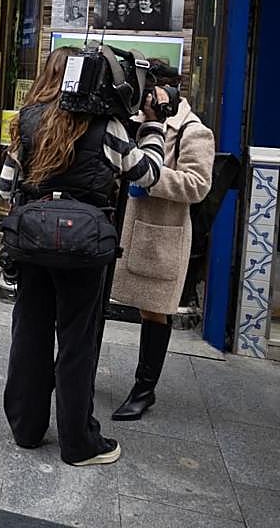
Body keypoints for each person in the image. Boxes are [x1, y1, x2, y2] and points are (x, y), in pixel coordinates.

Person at [0, 54, 169, 467]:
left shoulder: (28, 121)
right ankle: (78, 443)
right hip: (84, 249)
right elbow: (149, 173)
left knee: (30, 334)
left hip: (34, 244)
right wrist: (154, 128)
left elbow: (6, 187)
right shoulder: (107, 127)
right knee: (78, 342)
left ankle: (26, 428)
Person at [110, 64, 214, 421]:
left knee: (154, 311)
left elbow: (198, 184)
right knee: (100, 300)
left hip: (159, 233)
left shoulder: (193, 131)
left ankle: (144, 389)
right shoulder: (133, 120)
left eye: (153, 89)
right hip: (122, 226)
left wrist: (151, 176)